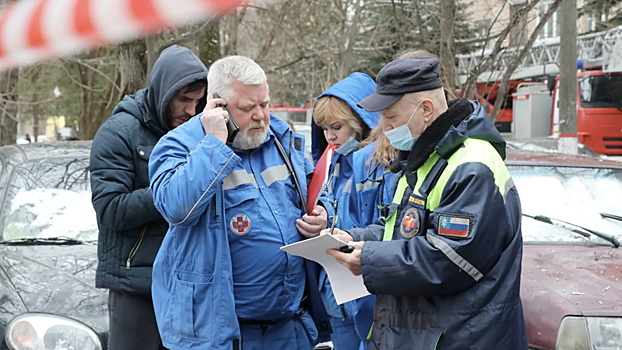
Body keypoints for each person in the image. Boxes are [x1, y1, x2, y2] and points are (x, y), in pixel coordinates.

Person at [326, 57, 528, 349]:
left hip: (460, 339)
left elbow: (450, 259)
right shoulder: (425, 159)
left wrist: (368, 259)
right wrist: (353, 239)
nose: (383, 126)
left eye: (391, 116)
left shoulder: (472, 165)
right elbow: (400, 230)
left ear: (426, 109)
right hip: (424, 334)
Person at [148, 55, 332, 350]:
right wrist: (214, 143)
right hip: (223, 333)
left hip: (291, 327)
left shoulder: (280, 139)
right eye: (248, 108)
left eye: (265, 104)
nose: (260, 116)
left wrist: (323, 215)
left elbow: (316, 192)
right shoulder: (179, 144)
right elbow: (176, 208)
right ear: (218, 106)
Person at [89, 44, 208, 350]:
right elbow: (110, 210)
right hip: (136, 288)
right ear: (163, 91)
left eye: (198, 101)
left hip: (188, 285)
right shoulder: (119, 132)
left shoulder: (198, 133)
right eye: (184, 100)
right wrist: (172, 191)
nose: (191, 111)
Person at [311, 72, 380, 350]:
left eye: (336, 127)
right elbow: (330, 203)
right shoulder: (335, 165)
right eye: (325, 128)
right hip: (337, 297)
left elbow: (390, 227)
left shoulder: (380, 165)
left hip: (367, 294)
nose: (330, 136)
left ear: (361, 121)